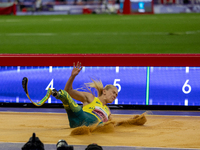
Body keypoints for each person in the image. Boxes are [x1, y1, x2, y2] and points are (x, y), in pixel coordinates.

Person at [52, 62, 118, 128]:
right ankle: (59, 94)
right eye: (113, 92)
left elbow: (110, 126)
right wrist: (72, 76)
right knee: (72, 104)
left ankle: (61, 95)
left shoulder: (108, 111)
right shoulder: (91, 98)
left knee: (101, 124)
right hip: (81, 117)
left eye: (116, 95)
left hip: (92, 125)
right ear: (104, 91)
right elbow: (68, 91)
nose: (115, 96)